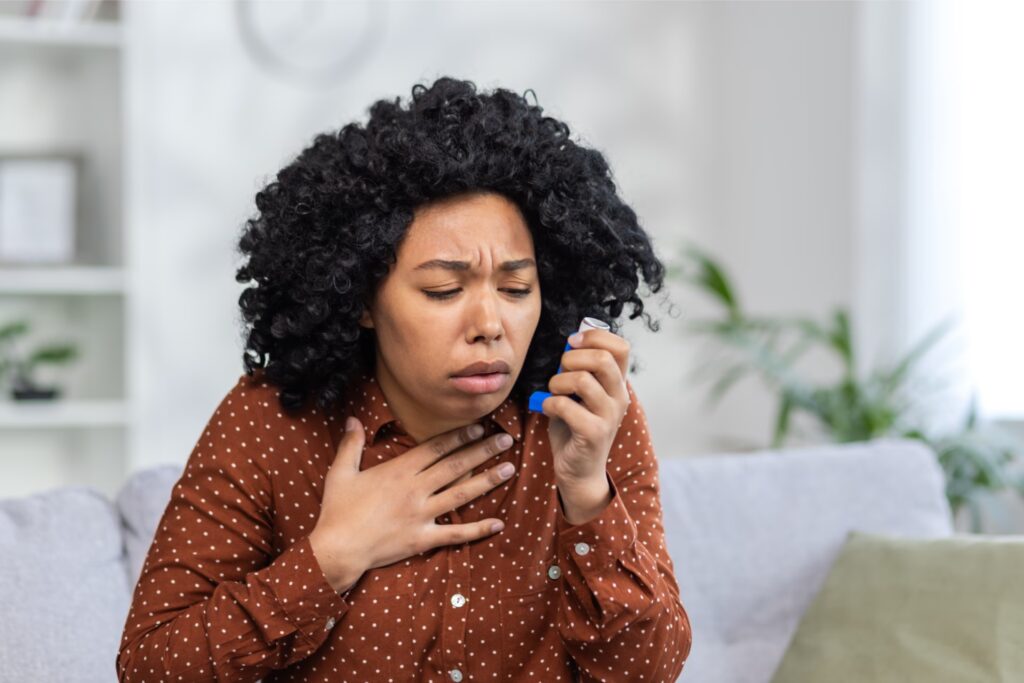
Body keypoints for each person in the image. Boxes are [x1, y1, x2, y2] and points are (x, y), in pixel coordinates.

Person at [117, 76, 691, 682]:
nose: (490, 324)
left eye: (517, 289)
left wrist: (586, 496)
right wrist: (334, 555)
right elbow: (151, 667)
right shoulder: (274, 422)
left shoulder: (587, 417)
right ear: (363, 297)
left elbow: (649, 671)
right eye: (444, 290)